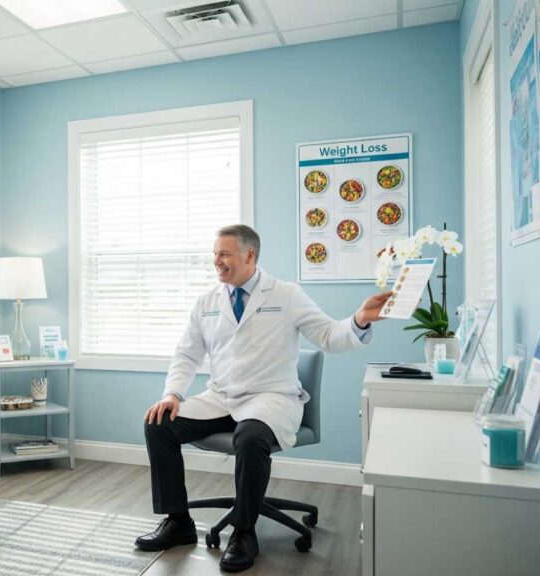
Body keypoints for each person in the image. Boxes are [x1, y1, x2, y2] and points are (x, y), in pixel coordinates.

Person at [136, 225, 392, 572]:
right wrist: (172, 394)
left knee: (252, 435)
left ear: (249, 255)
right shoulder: (207, 302)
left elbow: (330, 336)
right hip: (221, 398)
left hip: (270, 398)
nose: (217, 262)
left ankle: (244, 532)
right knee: (158, 423)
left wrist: (360, 319)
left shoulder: (286, 295)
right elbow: (186, 355)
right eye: (215, 255)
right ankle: (178, 522)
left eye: (224, 254)